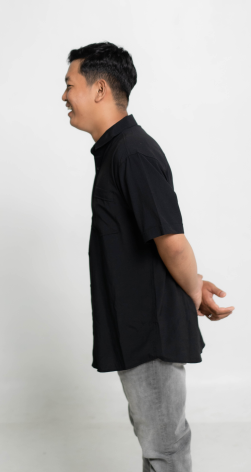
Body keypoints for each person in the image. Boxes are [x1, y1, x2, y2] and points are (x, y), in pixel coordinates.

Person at [62, 42, 234, 471]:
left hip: (150, 331)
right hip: (139, 327)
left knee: (164, 447)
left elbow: (171, 242)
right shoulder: (118, 152)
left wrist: (191, 288)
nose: (64, 96)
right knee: (158, 443)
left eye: (70, 85)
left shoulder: (131, 153)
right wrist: (192, 282)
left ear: (99, 89)